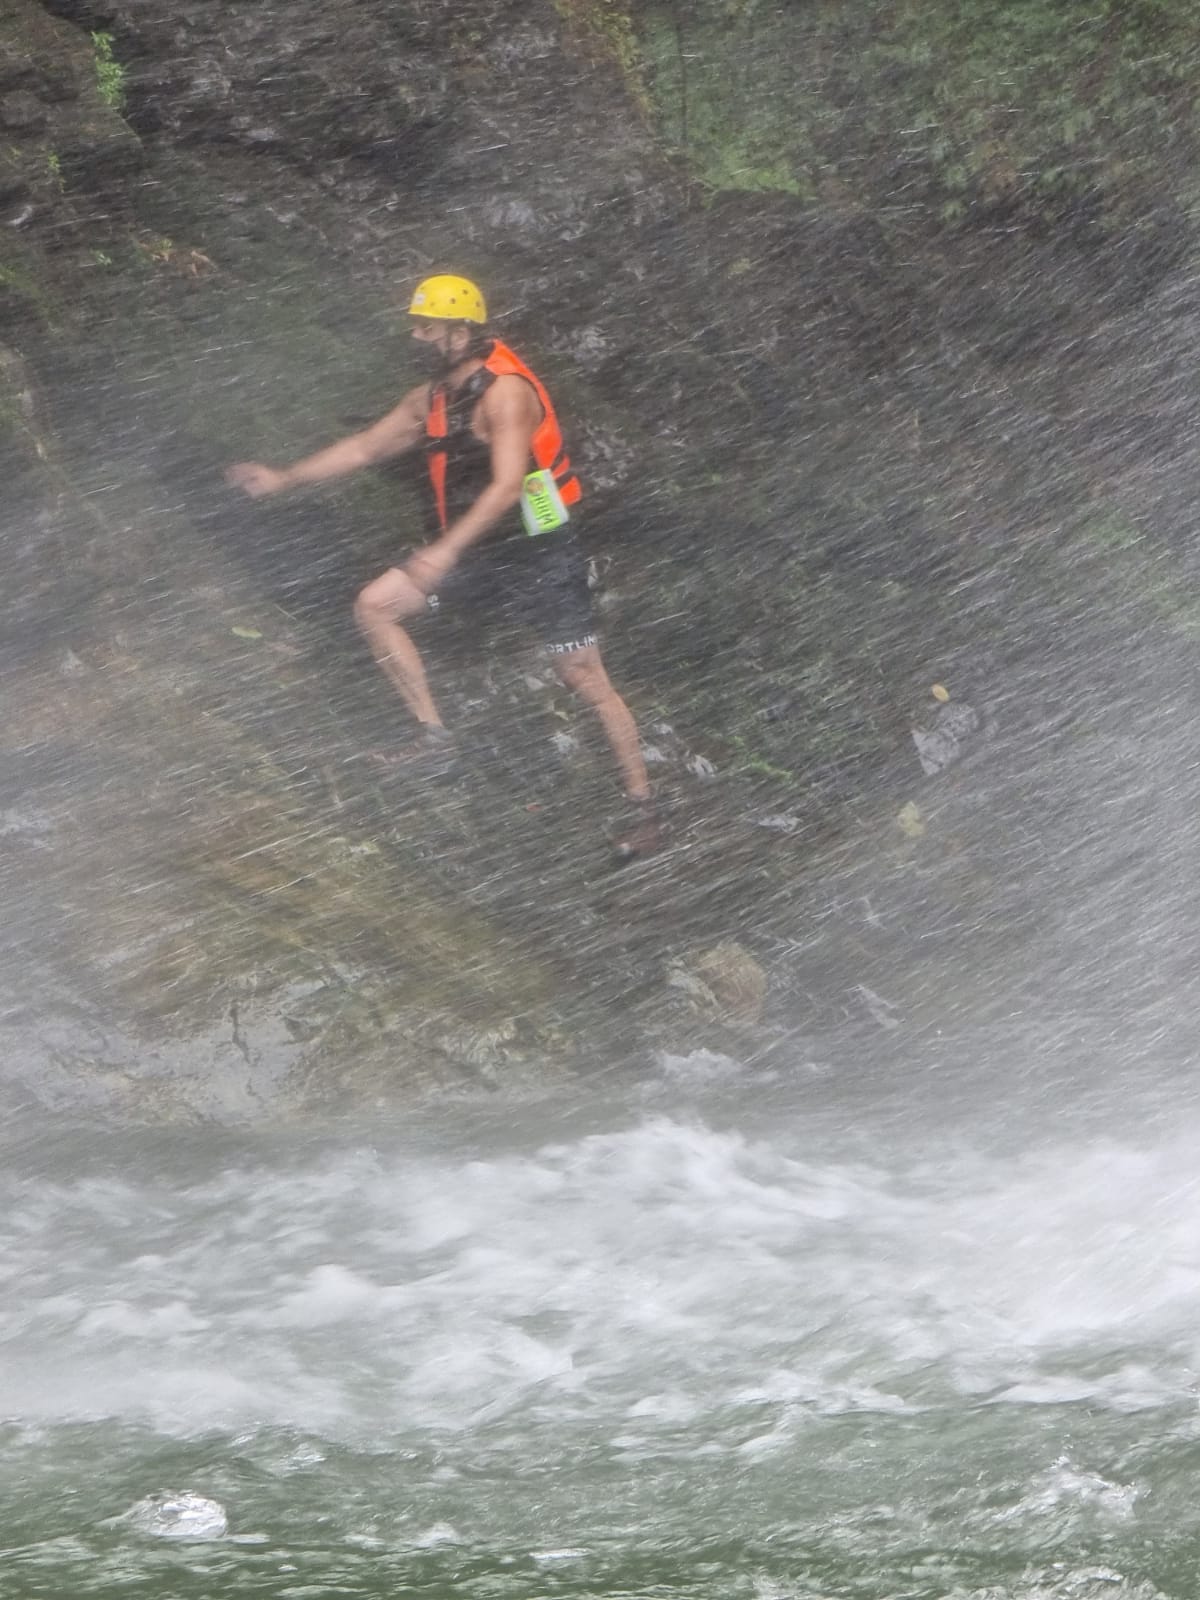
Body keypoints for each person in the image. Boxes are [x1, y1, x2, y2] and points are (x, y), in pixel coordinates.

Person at [226, 273, 661, 861]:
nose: (416, 334)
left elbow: (509, 485)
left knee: (584, 678)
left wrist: (443, 551)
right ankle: (434, 740)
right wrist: (284, 477)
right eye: (417, 323)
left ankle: (645, 807)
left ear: (461, 331)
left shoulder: (506, 393)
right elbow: (364, 448)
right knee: (375, 605)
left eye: (427, 325)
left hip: (537, 554)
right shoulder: (431, 397)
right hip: (475, 552)